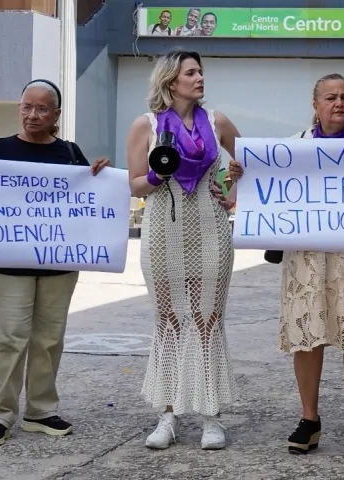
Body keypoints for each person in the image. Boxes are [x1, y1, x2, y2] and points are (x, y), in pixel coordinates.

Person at [229, 72, 344, 458]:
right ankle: (309, 418)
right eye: (330, 97)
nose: (339, 103)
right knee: (307, 334)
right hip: (307, 260)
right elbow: (258, 189)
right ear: (315, 105)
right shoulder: (290, 150)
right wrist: (242, 175)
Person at [0, 79, 110, 446]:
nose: (32, 115)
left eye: (42, 109)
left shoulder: (70, 153)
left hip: (58, 265)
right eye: (27, 106)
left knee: (48, 339)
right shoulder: (0, 149)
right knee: (10, 338)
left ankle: (40, 411)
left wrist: (102, 177)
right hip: (9, 263)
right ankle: (0, 416)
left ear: (56, 114)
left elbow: (88, 201)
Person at [126, 49, 243, 451]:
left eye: (200, 72)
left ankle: (211, 417)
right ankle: (167, 415)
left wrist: (229, 192)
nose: (199, 78)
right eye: (191, 72)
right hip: (162, 227)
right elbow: (135, 185)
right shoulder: (146, 125)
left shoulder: (218, 121)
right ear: (170, 80)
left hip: (210, 227)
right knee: (169, 322)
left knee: (207, 320)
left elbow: (247, 162)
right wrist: (158, 173)